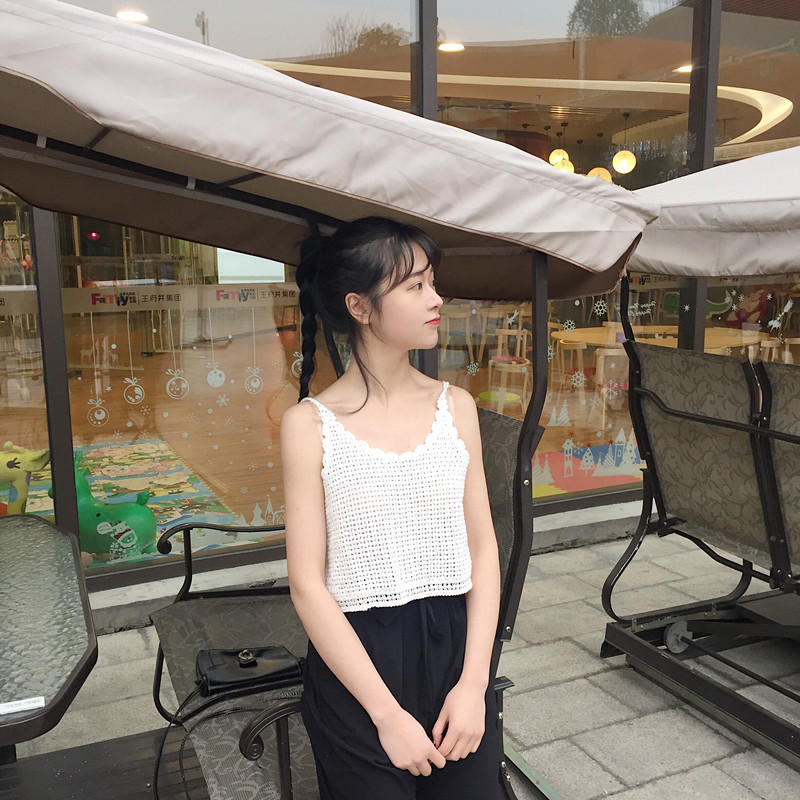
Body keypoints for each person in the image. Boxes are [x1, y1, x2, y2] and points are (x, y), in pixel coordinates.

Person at [280, 216, 502, 800]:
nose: (436, 298)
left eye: (432, 282)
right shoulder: (309, 425)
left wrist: (474, 685)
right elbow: (307, 584)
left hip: (454, 651)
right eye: (415, 286)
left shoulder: (457, 407)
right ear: (359, 306)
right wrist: (385, 714)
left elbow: (483, 550)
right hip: (358, 666)